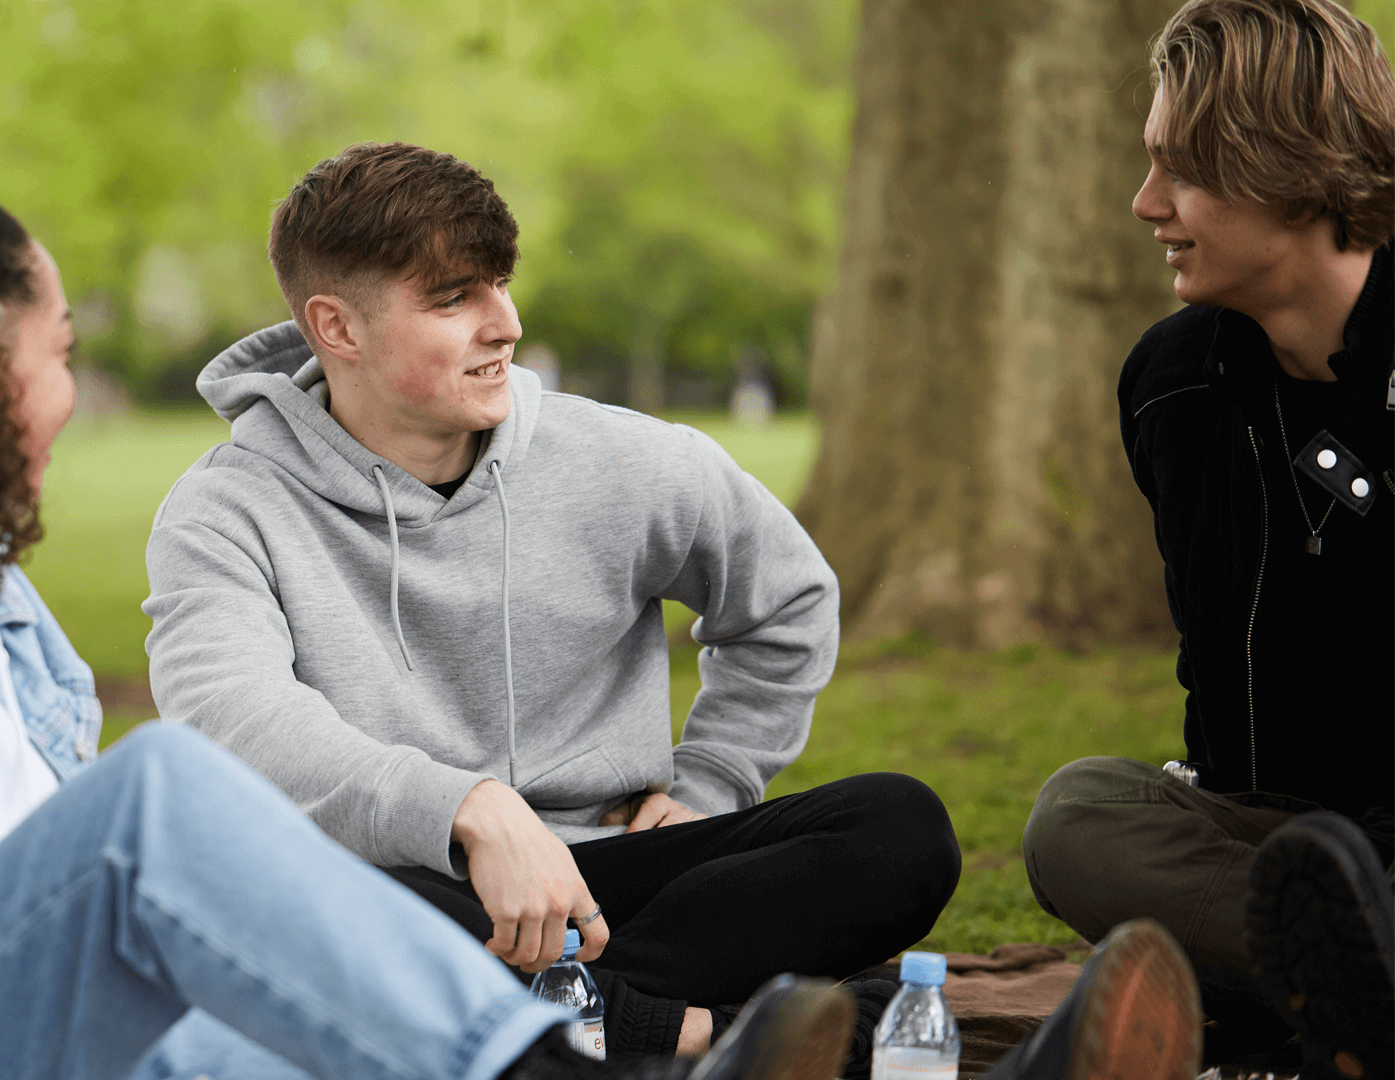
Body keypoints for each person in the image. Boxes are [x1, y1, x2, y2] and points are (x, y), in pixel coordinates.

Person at [0, 151, 873, 1080]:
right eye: (58, 355)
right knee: (157, 805)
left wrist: (690, 790)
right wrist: (463, 803)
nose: (71, 392)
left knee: (296, 1039)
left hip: (49, 1027)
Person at [141, 141, 962, 1072]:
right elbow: (232, 719)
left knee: (899, 829)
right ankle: (702, 1035)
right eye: (454, 299)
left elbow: (788, 602)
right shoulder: (226, 507)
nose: (507, 323)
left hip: (612, 877)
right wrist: (470, 809)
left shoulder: (625, 460)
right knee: (265, 897)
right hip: (400, 883)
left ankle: (566, 1029)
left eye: (499, 284)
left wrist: (712, 782)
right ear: (338, 327)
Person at [1020, 1, 1394, 1076]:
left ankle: (1317, 988)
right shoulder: (1170, 385)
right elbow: (1212, 670)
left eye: (1179, 170)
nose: (1145, 205)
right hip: (1276, 841)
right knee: (1078, 817)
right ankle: (1347, 987)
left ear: (1290, 167)